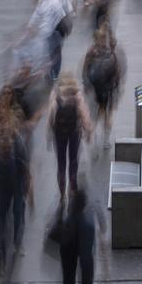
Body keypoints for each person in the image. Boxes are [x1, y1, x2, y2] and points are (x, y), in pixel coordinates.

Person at [0, 97, 31, 277]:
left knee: (19, 214)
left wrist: (27, 189)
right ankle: (0, 262)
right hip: (3, 189)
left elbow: (26, 169)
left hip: (17, 185)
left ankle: (18, 244)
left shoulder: (19, 145)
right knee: (0, 224)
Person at [49, 73, 93, 201]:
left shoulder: (56, 94)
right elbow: (84, 114)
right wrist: (88, 130)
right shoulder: (77, 95)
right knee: (73, 160)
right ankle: (72, 186)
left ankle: (62, 192)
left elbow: (51, 115)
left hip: (59, 132)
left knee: (61, 162)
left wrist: (49, 133)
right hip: (74, 132)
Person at [57, 187, 97, 284]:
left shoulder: (69, 221)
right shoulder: (87, 224)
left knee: (68, 282)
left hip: (68, 255)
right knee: (86, 279)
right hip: (84, 259)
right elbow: (87, 254)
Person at [82, 25, 122, 141]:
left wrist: (86, 84)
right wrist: (117, 87)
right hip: (108, 89)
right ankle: (105, 138)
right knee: (106, 114)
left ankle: (92, 133)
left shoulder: (91, 51)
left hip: (95, 88)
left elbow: (85, 68)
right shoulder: (110, 52)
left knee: (97, 112)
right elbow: (117, 72)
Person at [30, 0, 74, 79]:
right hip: (59, 30)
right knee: (57, 51)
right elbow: (69, 12)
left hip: (47, 31)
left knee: (48, 50)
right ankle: (55, 73)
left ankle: (47, 68)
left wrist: (32, 25)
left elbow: (37, 14)